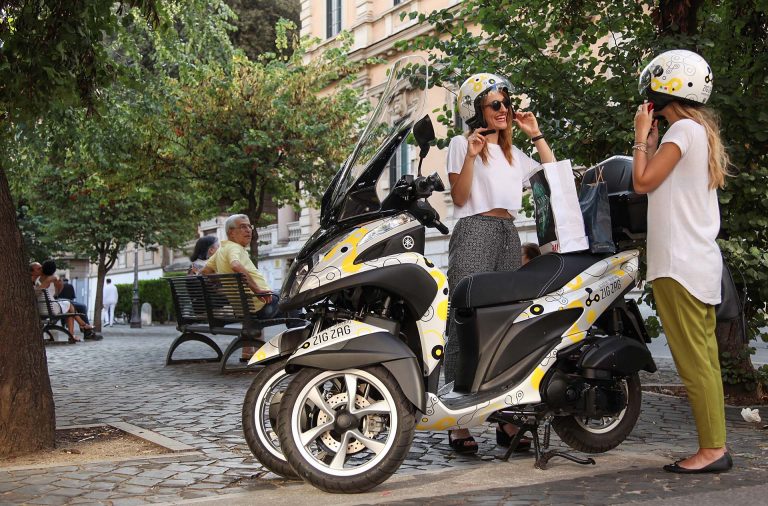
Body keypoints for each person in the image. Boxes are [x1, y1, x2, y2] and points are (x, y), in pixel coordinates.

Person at [444, 73, 556, 454]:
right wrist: (471, 156)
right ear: (476, 110)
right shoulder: (461, 145)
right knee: (465, 321)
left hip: (508, 234)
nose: (504, 109)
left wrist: (535, 134)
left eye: (506, 103)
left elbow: (551, 174)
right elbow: (460, 198)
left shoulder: (513, 154)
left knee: (506, 325)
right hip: (474, 230)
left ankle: (506, 420)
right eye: (496, 104)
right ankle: (458, 422)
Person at [633, 49, 731, 474]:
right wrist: (653, 146)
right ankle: (716, 444)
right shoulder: (698, 131)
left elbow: (642, 182)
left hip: (678, 266)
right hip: (698, 263)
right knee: (705, 362)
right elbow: (662, 183)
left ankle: (712, 451)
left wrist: (640, 138)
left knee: (694, 365)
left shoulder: (683, 131)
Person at [202, 214, 278, 362]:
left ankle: (248, 352)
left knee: (269, 301)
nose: (248, 230)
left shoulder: (222, 250)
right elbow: (235, 264)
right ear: (231, 232)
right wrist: (257, 290)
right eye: (243, 227)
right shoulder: (234, 248)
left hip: (245, 306)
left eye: (249, 226)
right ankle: (300, 348)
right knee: (293, 302)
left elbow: (205, 271)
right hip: (259, 305)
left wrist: (223, 281)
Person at [35, 260, 94, 342]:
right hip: (51, 309)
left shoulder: (37, 280)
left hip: (43, 308)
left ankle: (80, 327)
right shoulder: (53, 279)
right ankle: (81, 326)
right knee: (69, 305)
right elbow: (57, 292)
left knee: (69, 309)